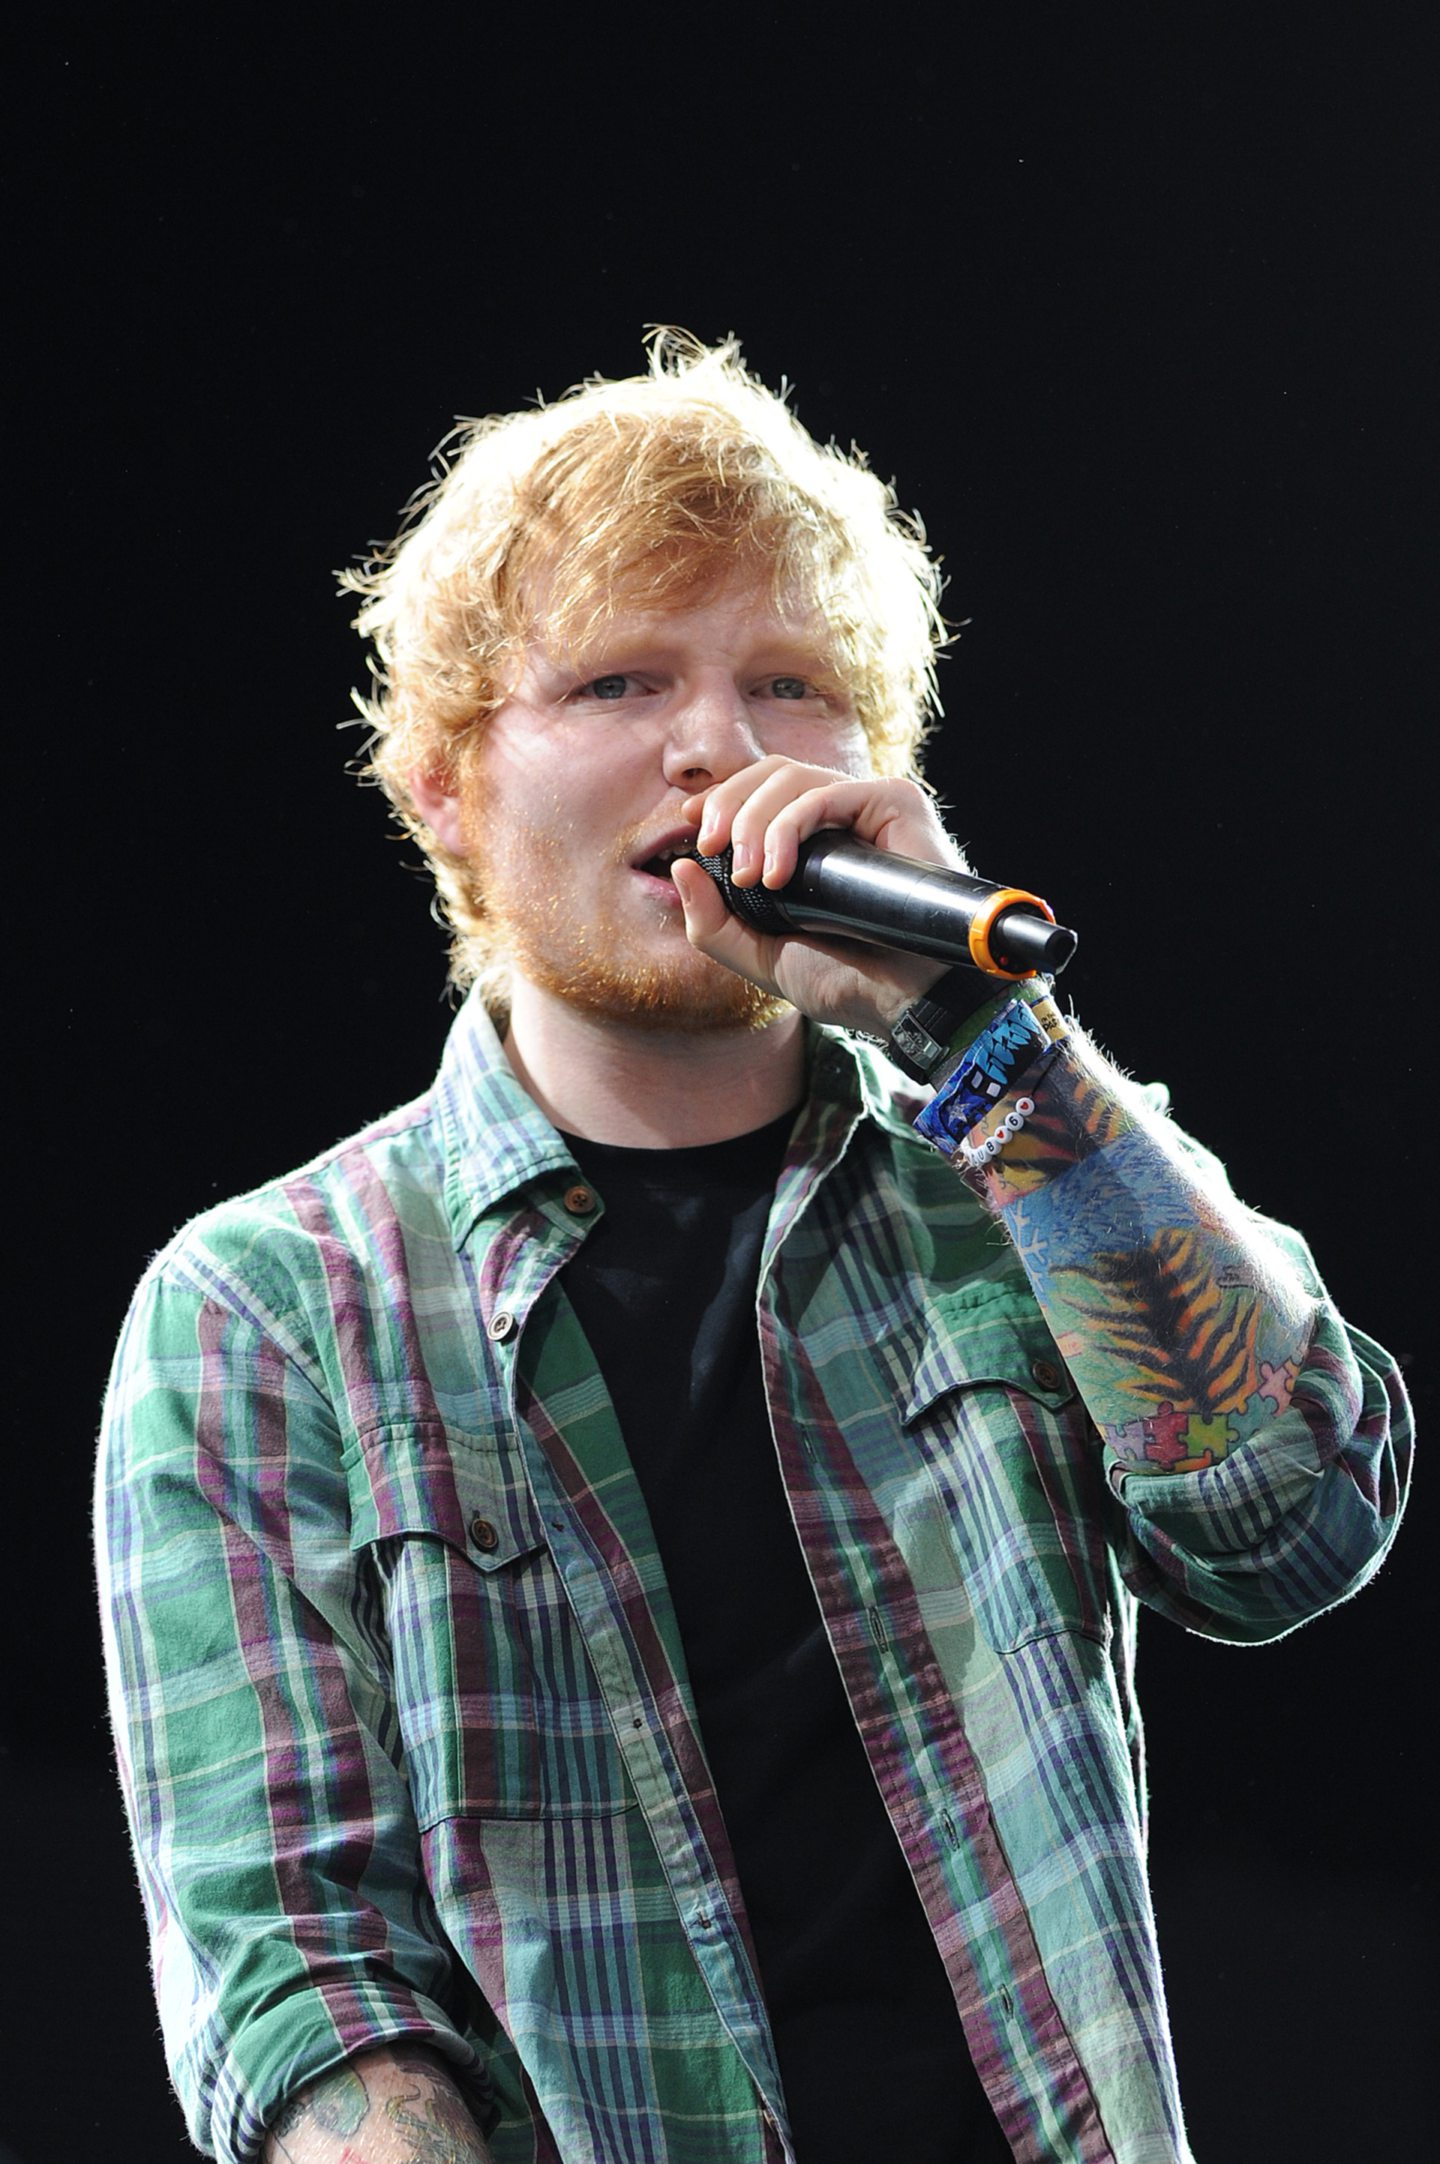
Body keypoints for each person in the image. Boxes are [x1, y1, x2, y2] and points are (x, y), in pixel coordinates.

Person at [97, 333, 1411, 2164]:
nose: (717, 745)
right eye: (622, 679)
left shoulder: (1014, 1162)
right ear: (449, 789)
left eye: (790, 684)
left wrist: (985, 1051)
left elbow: (1297, 1524)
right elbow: (299, 1975)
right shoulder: (264, 1311)